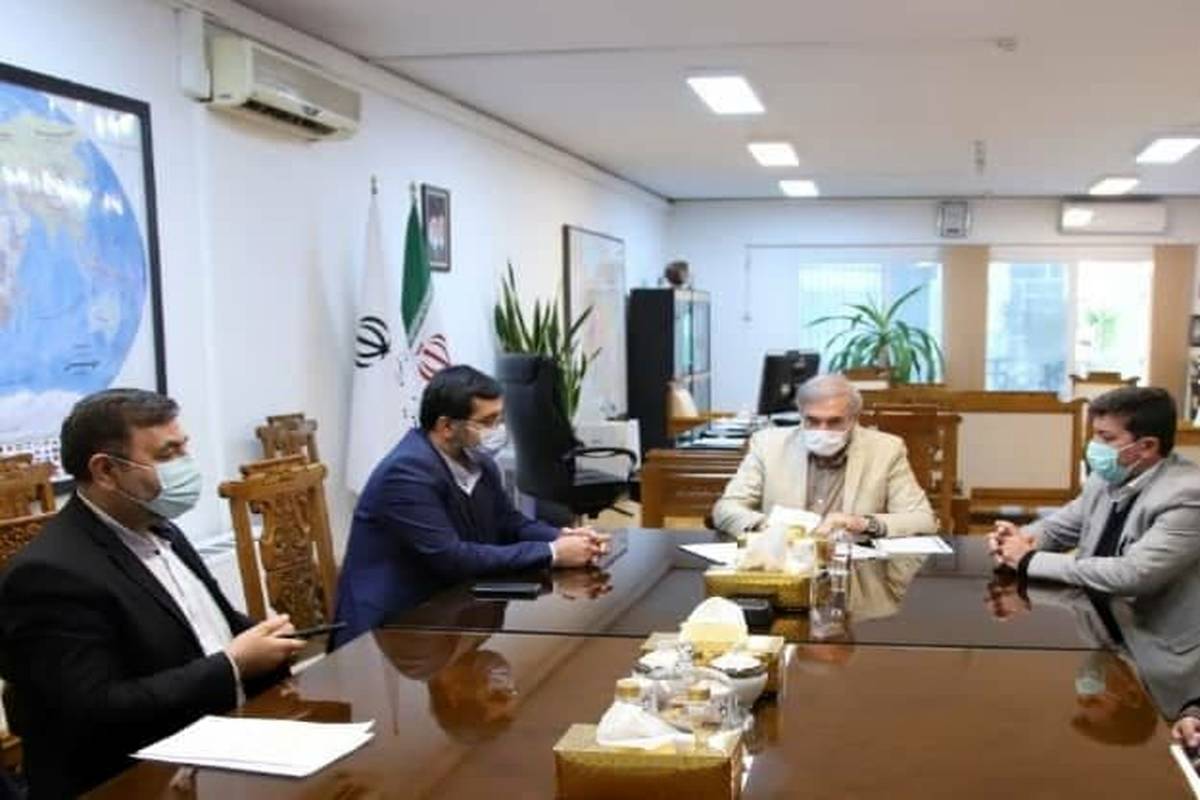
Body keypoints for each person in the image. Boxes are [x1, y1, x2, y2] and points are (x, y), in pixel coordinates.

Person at [0, 389, 303, 798]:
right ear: (106, 471)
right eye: (167, 454)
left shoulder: (161, 528)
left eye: (184, 448)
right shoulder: (49, 573)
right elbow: (94, 709)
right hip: (128, 780)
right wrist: (233, 665)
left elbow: (215, 625)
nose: (186, 464)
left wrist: (272, 641)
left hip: (218, 746)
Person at [331, 365, 604, 649]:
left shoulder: (479, 462)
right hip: (391, 628)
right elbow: (453, 558)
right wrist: (553, 553)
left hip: (450, 608)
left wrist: (564, 537)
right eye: (487, 422)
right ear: (446, 426)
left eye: (499, 419)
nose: (497, 430)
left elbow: (509, 522)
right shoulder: (406, 473)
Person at [989, 387, 1200, 600]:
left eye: (1106, 438)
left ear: (1147, 446)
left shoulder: (1189, 494)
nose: (1093, 446)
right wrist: (1015, 541)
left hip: (1145, 620)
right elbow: (1056, 530)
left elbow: (1133, 574)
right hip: (1093, 611)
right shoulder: (1103, 478)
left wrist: (1027, 559)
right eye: (1094, 434)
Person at [711, 373, 937, 537]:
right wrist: (768, 527)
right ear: (801, 416)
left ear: (854, 418)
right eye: (813, 421)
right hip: (785, 565)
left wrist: (861, 523)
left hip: (854, 569)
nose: (823, 430)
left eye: (834, 421)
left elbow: (923, 519)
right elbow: (725, 509)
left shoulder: (886, 450)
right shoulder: (768, 445)